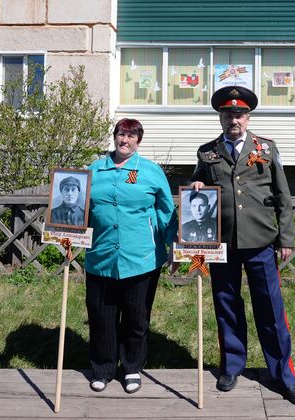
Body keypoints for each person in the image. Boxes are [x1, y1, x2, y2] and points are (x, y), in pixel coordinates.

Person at [189, 86, 295, 405]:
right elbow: (198, 186)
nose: (233, 119)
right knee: (227, 305)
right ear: (221, 118)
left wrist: (286, 238)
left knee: (270, 309)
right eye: (228, 114)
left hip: (260, 241)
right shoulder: (207, 152)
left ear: (248, 117)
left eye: (239, 114)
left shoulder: (266, 148)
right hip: (222, 243)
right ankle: (232, 366)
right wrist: (197, 185)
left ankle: (283, 374)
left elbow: (283, 196)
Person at [85, 118, 177, 394]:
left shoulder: (149, 171)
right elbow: (77, 207)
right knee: (102, 316)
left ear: (139, 140)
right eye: (120, 135)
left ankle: (132, 367)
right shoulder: (94, 170)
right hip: (101, 258)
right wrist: (66, 233)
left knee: (137, 318)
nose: (124, 140)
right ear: (113, 138)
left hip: (141, 259)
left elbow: (165, 211)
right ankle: (103, 367)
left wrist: (172, 246)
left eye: (130, 136)